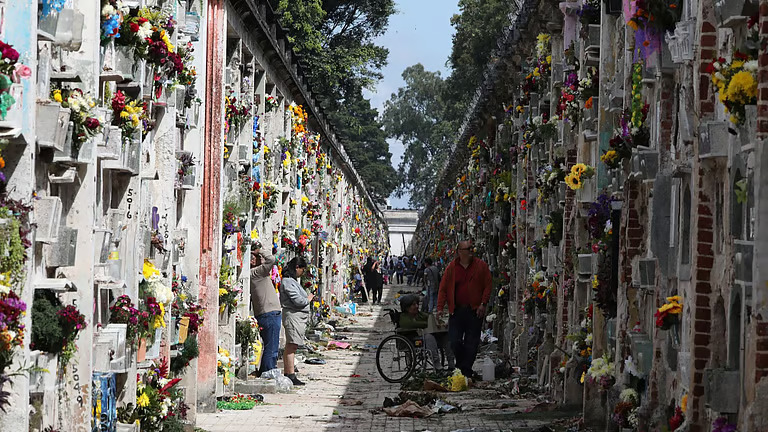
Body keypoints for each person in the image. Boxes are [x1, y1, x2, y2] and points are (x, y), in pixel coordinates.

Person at [437, 240, 492, 379]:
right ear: (459, 251)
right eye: (467, 249)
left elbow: (488, 285)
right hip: (457, 310)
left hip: (474, 310)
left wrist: (483, 303)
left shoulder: (481, 266)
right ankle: (463, 366)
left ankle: (465, 370)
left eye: (471, 248)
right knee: (454, 340)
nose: (470, 251)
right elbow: (443, 288)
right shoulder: (452, 268)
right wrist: (440, 308)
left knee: (471, 342)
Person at [398, 295, 455, 374]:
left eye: (417, 304)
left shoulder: (420, 314)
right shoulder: (403, 317)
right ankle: (437, 366)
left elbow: (432, 318)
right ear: (407, 307)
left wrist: (440, 323)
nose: (417, 306)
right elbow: (410, 324)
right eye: (414, 305)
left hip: (424, 336)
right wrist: (427, 324)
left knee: (446, 336)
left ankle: (451, 363)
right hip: (412, 339)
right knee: (429, 337)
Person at [279, 256, 313, 386]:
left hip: (297, 317)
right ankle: (290, 374)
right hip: (293, 316)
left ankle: (290, 373)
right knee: (292, 345)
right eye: (302, 270)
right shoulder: (287, 282)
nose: (302, 273)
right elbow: (298, 300)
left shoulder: (292, 281)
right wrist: (307, 299)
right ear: (296, 268)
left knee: (293, 344)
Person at [249, 243, 280, 375]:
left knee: (269, 346)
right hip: (270, 313)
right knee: (271, 348)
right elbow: (272, 260)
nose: (259, 259)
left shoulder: (253, 274)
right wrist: (259, 250)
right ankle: (268, 373)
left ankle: (265, 370)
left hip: (267, 313)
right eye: (256, 257)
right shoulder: (257, 273)